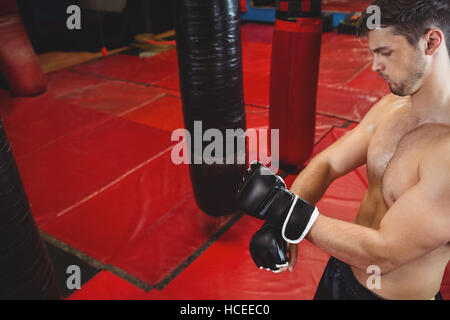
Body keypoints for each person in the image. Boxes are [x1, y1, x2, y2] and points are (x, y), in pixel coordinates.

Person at [238, 0, 450, 300]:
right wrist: (281, 224)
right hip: (341, 269)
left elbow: (384, 253)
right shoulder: (392, 107)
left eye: (385, 53)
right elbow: (328, 164)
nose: (375, 66)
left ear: (430, 42)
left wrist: (285, 210)